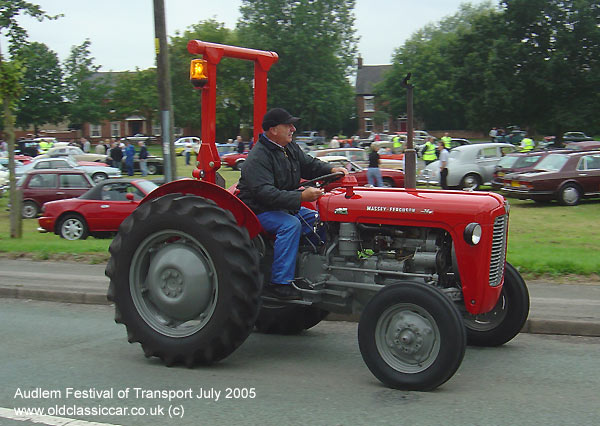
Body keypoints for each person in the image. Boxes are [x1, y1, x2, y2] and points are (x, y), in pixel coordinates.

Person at [236, 108, 348, 300]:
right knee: (290, 225)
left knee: (319, 221)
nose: (293, 129)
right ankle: (280, 283)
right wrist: (301, 198)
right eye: (288, 125)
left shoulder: (289, 148)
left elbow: (309, 164)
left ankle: (318, 270)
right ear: (273, 130)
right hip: (258, 210)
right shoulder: (258, 158)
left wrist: (331, 169)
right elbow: (265, 194)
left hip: (284, 206)